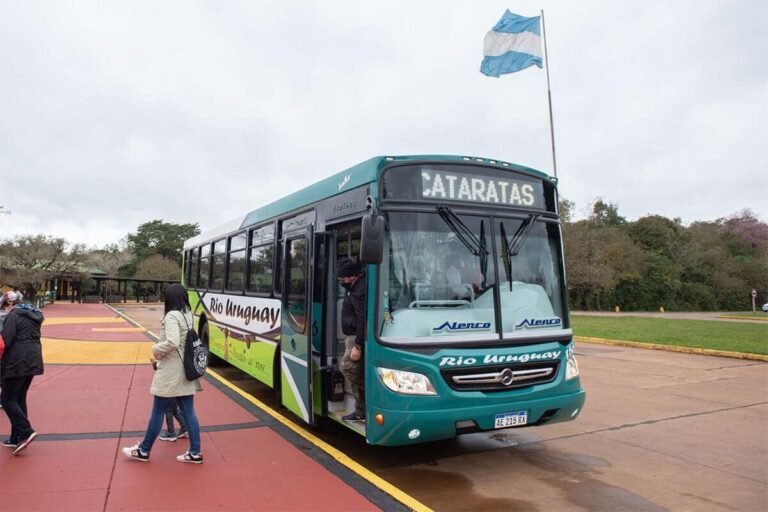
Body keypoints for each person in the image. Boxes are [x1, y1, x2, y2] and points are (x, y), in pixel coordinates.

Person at [122, 283, 203, 464]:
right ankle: (195, 451)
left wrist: (155, 349)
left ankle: (144, 450)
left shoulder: (172, 316)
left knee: (158, 409)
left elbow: (172, 342)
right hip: (186, 369)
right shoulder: (187, 314)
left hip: (171, 370)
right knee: (188, 410)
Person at [1, 290, 44, 455]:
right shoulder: (34, 315)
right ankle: (16, 436)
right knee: (19, 397)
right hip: (33, 357)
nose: (5, 309)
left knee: (7, 399)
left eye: (5, 306)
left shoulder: (14, 316)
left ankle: (25, 431)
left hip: (17, 359)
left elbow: (6, 339)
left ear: (11, 303)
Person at [337, 258, 366, 422]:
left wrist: (358, 345)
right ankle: (360, 410)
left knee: (348, 368)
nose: (341, 282)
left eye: (343, 279)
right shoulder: (355, 287)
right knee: (354, 371)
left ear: (352, 276)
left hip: (355, 338)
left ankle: (370, 393)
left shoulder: (359, 291)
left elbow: (362, 319)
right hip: (352, 337)